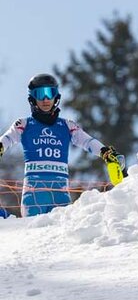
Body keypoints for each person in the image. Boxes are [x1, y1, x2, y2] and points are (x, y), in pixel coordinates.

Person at [0, 74, 117, 217]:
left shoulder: (67, 125)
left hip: (61, 192)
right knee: (33, 232)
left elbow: (87, 141)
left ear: (56, 96)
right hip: (34, 193)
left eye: (50, 93)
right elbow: (7, 138)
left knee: (61, 234)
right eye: (40, 94)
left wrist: (104, 152)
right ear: (32, 98)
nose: (45, 99)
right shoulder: (24, 124)